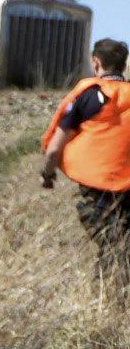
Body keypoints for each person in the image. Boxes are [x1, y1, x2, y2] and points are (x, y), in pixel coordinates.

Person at [41, 38, 130, 296]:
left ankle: (109, 302)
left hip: (97, 191)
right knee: (118, 248)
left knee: (112, 248)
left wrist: (48, 174)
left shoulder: (87, 95)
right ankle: (113, 302)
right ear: (123, 65)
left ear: (96, 62)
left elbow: (55, 148)